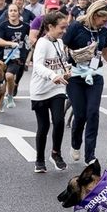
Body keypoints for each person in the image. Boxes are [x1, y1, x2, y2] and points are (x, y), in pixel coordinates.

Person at [63, 1, 107, 165]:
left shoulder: (102, 31)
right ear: (94, 14)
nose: (105, 23)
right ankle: (76, 144)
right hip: (75, 76)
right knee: (80, 114)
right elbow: (62, 46)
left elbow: (106, 52)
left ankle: (90, 155)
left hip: (95, 76)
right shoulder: (76, 27)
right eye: (103, 20)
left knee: (93, 113)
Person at [29, 10, 71, 173]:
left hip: (57, 88)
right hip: (40, 90)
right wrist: (53, 75)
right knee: (44, 126)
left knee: (59, 121)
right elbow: (38, 66)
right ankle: (39, 159)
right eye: (62, 27)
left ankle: (56, 153)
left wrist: (67, 71)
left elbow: (62, 61)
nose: (64, 31)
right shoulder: (42, 43)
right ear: (50, 27)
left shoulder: (59, 42)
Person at [0, 4, 32, 109]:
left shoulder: (25, 27)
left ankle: (10, 96)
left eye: (15, 11)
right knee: (0, 80)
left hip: (17, 58)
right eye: (11, 11)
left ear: (18, 13)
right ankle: (0, 99)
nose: (13, 13)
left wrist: (29, 54)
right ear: (8, 13)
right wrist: (11, 43)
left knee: (9, 76)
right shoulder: (3, 25)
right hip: (3, 57)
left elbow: (28, 42)